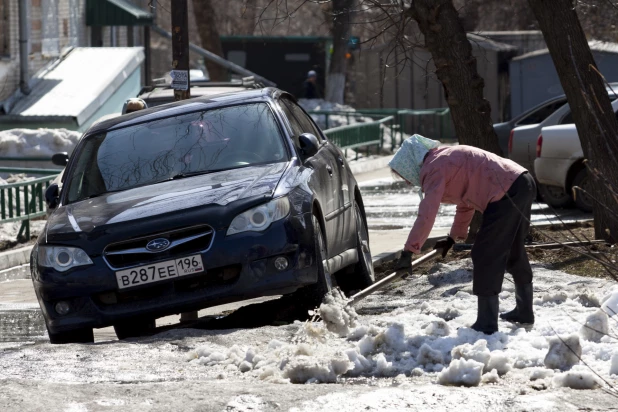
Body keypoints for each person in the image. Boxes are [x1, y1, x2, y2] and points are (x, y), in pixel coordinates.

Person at [391, 134, 536, 334]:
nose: (407, 181)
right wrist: (453, 237)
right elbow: (466, 201)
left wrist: (409, 251)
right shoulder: (445, 158)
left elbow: (427, 214)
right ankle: (524, 311)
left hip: (506, 192)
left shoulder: (434, 167)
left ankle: (486, 323)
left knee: (485, 254)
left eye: (404, 175)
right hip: (522, 182)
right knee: (513, 250)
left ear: (410, 163)